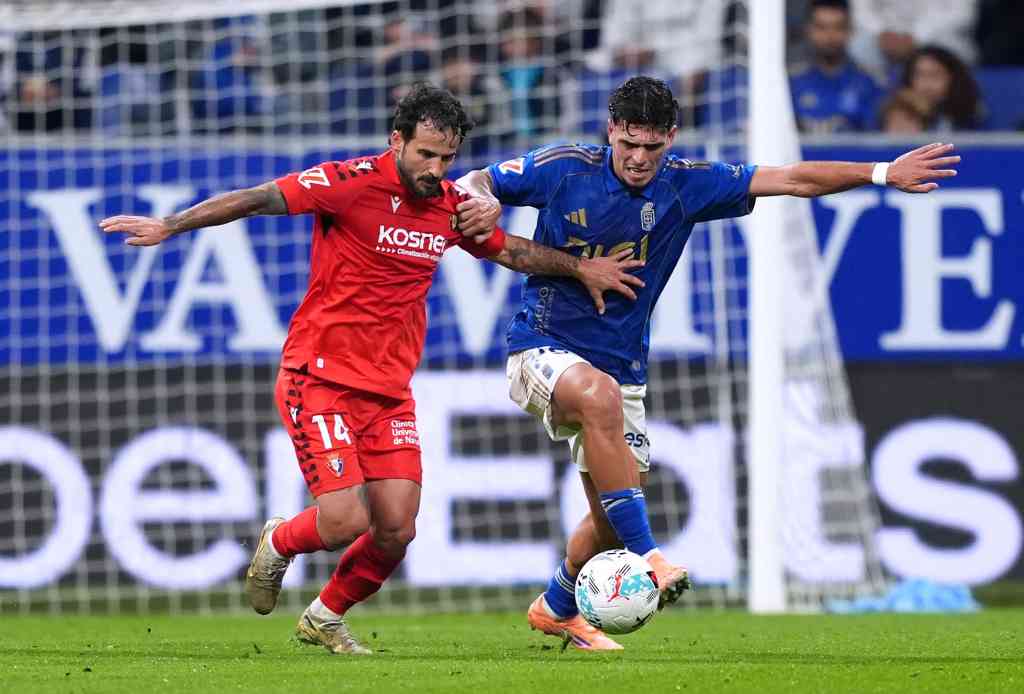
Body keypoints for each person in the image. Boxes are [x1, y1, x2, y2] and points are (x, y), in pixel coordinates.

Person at [100, 83, 644, 655]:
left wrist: (580, 268)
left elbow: (509, 250)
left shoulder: (448, 206)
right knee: (341, 522)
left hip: (387, 391)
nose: (436, 169)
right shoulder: (348, 183)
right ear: (397, 141)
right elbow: (258, 198)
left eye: (447, 158)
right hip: (319, 377)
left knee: (397, 527)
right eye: (425, 155)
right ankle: (278, 543)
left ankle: (325, 617)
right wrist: (172, 225)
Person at [456, 75, 959, 650]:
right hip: (540, 345)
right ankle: (652, 559)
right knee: (599, 402)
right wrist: (485, 197)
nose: (640, 159)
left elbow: (791, 178)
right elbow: (474, 180)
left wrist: (881, 173)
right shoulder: (563, 166)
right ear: (612, 131)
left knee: (606, 516)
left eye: (653, 147)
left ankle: (559, 604)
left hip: (622, 363)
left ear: (671, 138)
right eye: (629, 145)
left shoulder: (688, 186)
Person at [790, 0, 883, 134]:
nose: (830, 36)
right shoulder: (791, 82)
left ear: (850, 30)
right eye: (821, 27)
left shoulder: (869, 82)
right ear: (809, 30)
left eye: (838, 27)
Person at [900, 45, 986, 131]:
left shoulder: (971, 114)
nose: (927, 84)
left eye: (935, 75)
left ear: (953, 78)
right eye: (920, 75)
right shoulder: (897, 113)